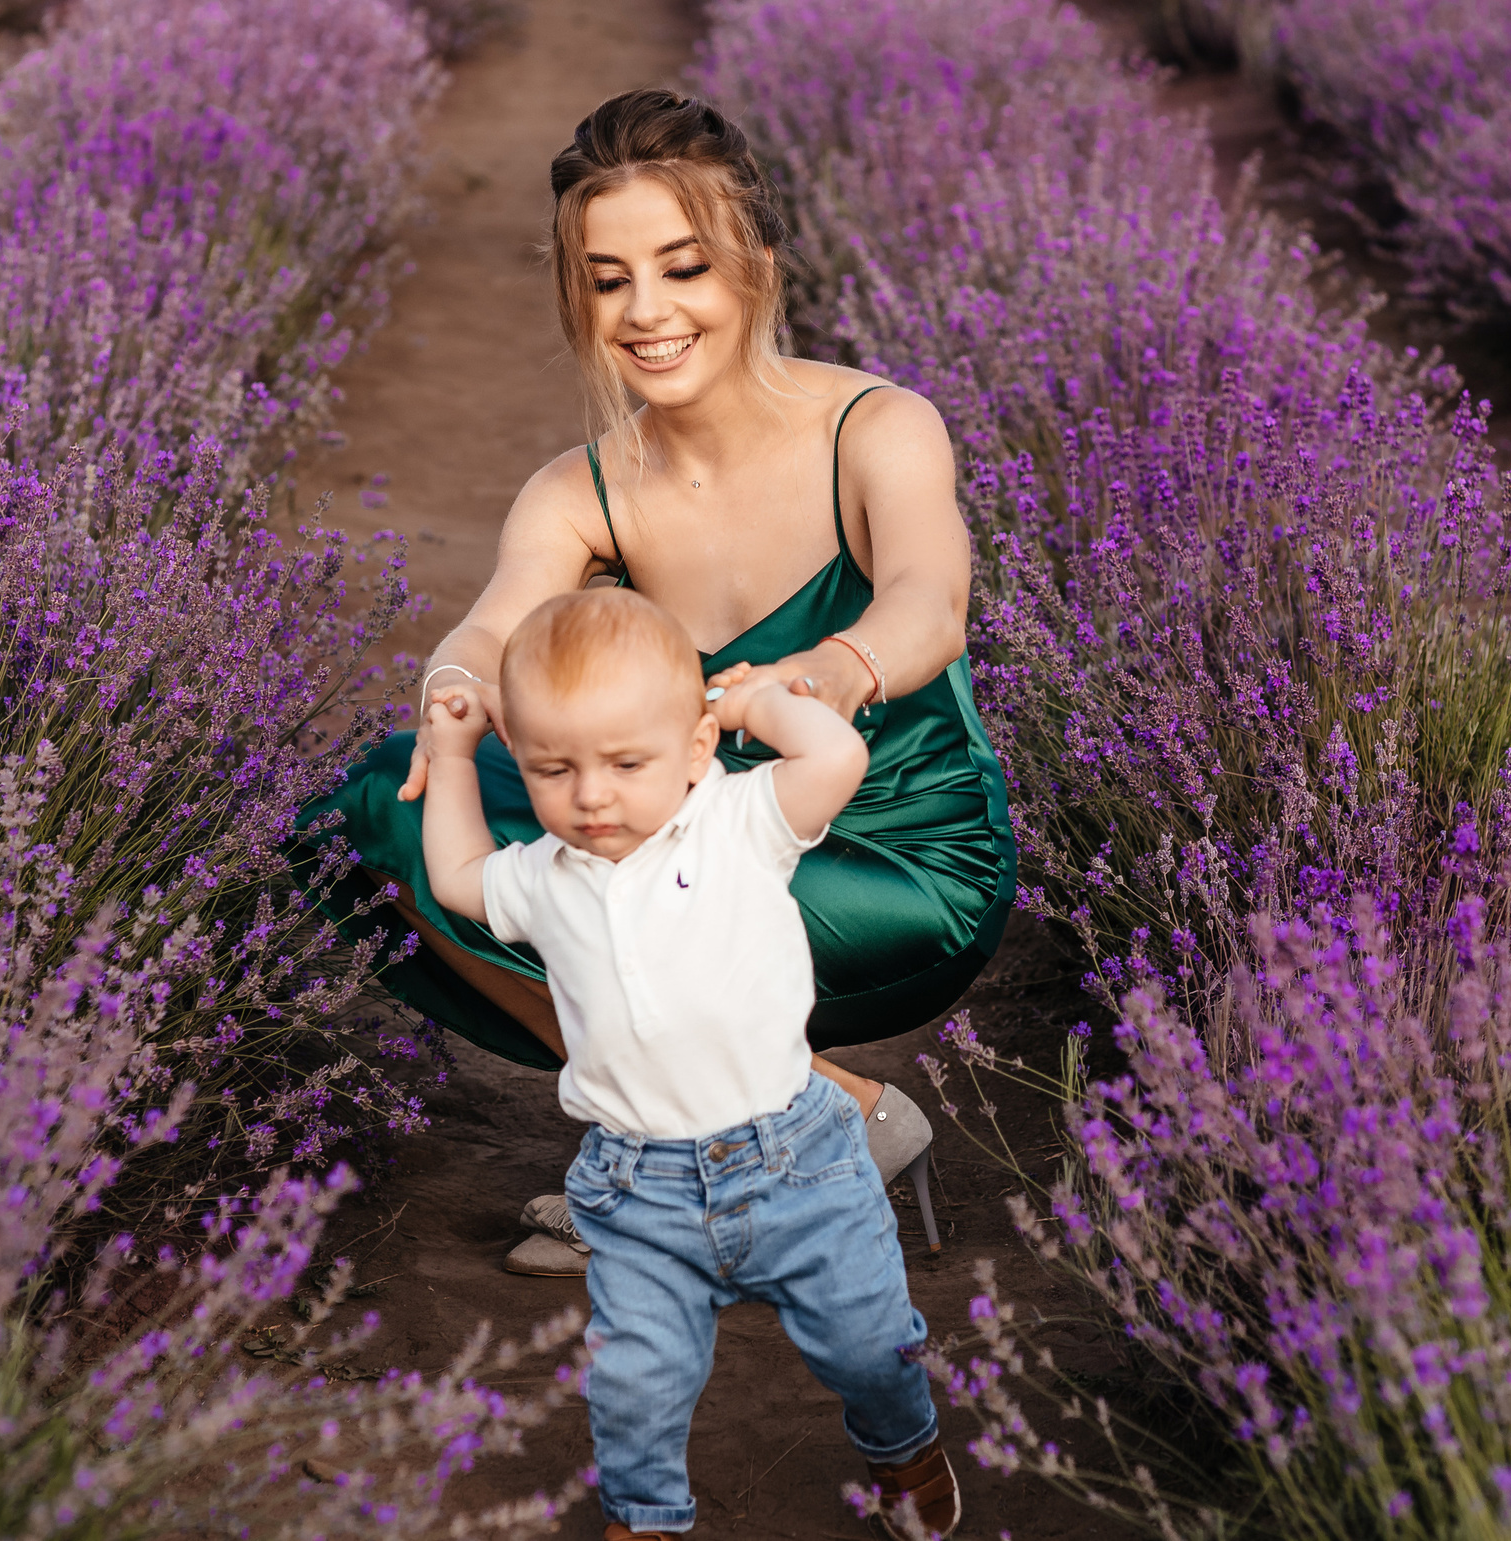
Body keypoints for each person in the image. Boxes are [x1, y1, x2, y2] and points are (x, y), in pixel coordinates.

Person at [291, 87, 1016, 1276]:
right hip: (701, 862)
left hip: (900, 865)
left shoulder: (876, 428)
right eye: (609, 276)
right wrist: (454, 690)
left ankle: (693, 1174)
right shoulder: (581, 488)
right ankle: (810, 1120)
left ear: (757, 267)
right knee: (384, 801)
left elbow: (927, 603)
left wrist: (832, 670)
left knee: (631, 886)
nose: (647, 311)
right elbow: (486, 629)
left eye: (682, 267)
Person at [420, 588, 959, 1541]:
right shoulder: (543, 874)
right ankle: (645, 1516)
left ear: (698, 749)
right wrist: (457, 757)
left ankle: (904, 1444)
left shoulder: (739, 822)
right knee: (636, 1380)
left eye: (628, 763)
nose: (591, 795)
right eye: (553, 769)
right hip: (640, 1187)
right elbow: (459, 876)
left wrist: (759, 705)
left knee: (869, 1345)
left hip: (799, 1160)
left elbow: (838, 753)